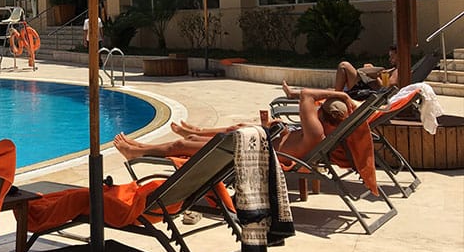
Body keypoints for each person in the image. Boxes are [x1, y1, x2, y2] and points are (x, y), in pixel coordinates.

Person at [113, 86, 355, 163]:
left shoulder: (316, 132)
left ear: (322, 113)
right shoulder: (320, 133)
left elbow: (305, 95)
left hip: (253, 151)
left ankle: (136, 151)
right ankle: (140, 147)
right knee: (190, 141)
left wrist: (341, 94)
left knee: (184, 144)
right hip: (260, 141)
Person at [282, 46, 399, 101]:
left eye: (392, 57)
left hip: (368, 93)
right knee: (330, 90)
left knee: (344, 66)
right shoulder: (394, 69)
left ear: (399, 55)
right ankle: (293, 93)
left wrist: (376, 76)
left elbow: (387, 88)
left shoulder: (400, 71)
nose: (390, 60)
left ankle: (337, 96)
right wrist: (371, 71)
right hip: (366, 87)